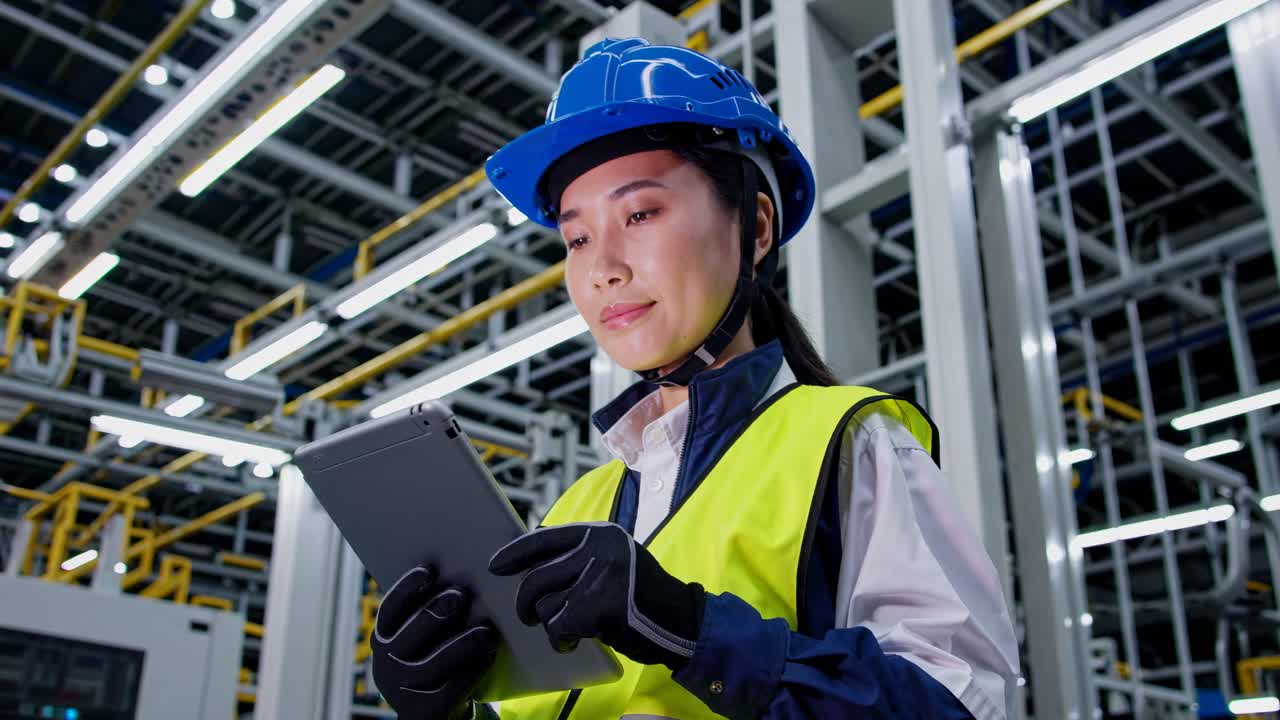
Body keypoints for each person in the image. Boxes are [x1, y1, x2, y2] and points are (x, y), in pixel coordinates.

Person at [369, 38, 1021, 720]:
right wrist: (448, 710)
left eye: (641, 214)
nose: (602, 268)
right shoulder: (573, 510)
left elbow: (960, 706)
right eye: (577, 238)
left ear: (757, 227)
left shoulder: (846, 444)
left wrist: (690, 630)